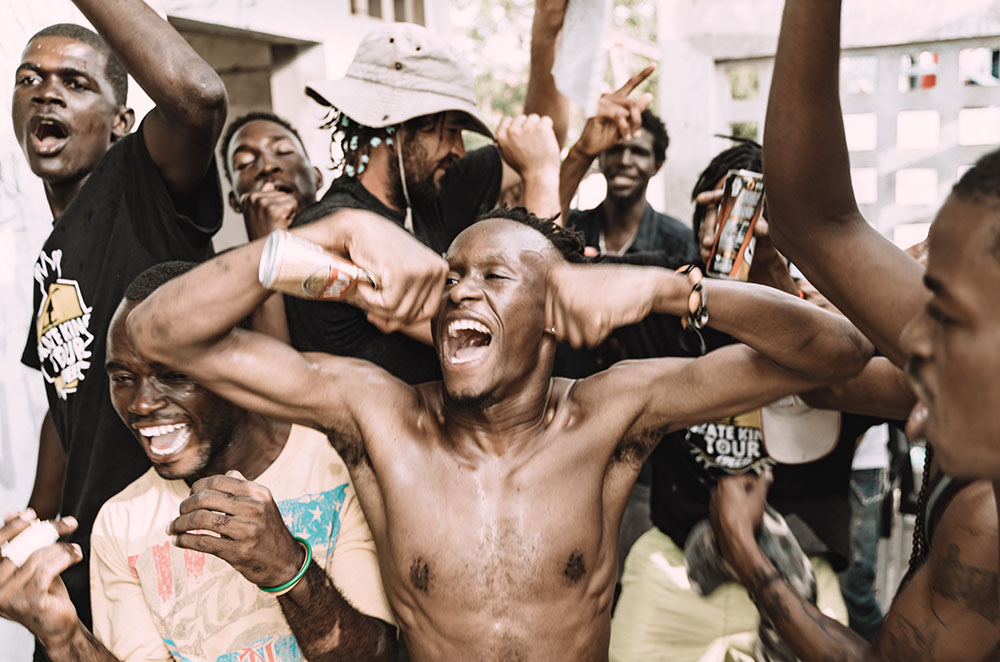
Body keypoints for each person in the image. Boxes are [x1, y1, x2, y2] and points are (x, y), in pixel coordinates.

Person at [125, 198, 871, 659]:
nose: (460, 292)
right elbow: (160, 334)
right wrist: (330, 235)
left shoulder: (609, 413)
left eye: (494, 277)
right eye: (450, 276)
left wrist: (672, 289)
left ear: (551, 320)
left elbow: (840, 349)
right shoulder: (377, 414)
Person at [706, 0, 1000, 660]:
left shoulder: (986, 522)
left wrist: (752, 561)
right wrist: (767, 273)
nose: (914, 418)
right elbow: (822, 377)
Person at [0, 262, 396, 661]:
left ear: (235, 363)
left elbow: (383, 655)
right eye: (123, 377)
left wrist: (289, 570)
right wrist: (66, 638)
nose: (141, 404)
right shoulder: (120, 524)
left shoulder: (338, 463)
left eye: (172, 374)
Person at [14, 0, 226, 644]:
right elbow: (63, 394)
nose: (46, 92)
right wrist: (37, 523)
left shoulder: (142, 182)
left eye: (75, 83)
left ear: (121, 122)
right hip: (88, 555)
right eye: (29, 79)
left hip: (176, 546)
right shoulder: (52, 253)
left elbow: (197, 97)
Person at [608, 141, 870, 661]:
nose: (714, 233)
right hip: (675, 566)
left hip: (799, 570)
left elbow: (862, 369)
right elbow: (558, 267)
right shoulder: (670, 304)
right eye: (707, 214)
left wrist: (775, 280)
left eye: (740, 214)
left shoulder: (834, 319)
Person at [285, 21, 563, 384]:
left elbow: (538, 141)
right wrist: (542, 175)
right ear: (396, 127)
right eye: (449, 132)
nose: (459, 149)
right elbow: (518, 330)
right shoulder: (342, 238)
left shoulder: (431, 189)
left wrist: (549, 31)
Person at [565, 108, 697, 262]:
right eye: (615, 149)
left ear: (656, 166)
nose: (624, 161)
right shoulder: (570, 228)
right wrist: (580, 154)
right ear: (601, 158)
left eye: (638, 152)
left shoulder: (681, 244)